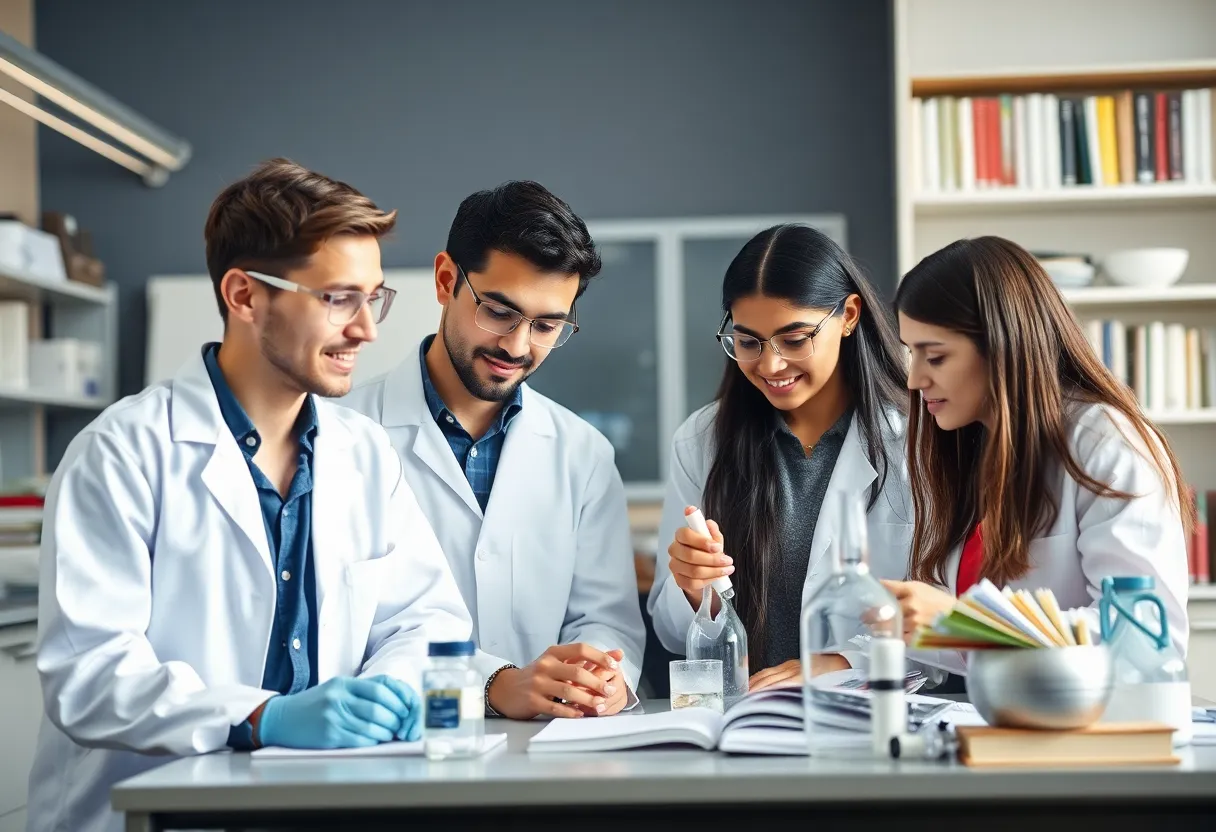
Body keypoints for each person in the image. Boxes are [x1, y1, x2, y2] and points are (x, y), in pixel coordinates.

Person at [26, 159, 472, 832]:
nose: (366, 330)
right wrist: (262, 716)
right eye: (337, 298)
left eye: (373, 298)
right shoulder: (121, 452)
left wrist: (391, 689)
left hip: (319, 805)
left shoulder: (362, 454)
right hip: (152, 813)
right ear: (243, 296)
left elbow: (426, 617)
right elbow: (90, 676)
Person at [343, 181, 645, 719]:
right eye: (500, 312)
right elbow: (348, 627)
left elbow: (605, 617)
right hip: (396, 747)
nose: (518, 346)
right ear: (444, 280)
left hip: (547, 755)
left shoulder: (583, 454)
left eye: (548, 325)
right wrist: (492, 685)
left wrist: (602, 675)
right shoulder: (345, 436)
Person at [891, 235, 1190, 673]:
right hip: (1012, 719)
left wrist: (965, 623)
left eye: (934, 357)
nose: (915, 379)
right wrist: (865, 647)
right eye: (911, 353)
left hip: (1097, 730)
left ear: (1002, 347)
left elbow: (1142, 639)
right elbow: (976, 650)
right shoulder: (977, 445)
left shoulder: (1107, 443)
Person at [646, 223, 914, 691]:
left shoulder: (914, 440)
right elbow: (671, 634)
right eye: (748, 342)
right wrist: (692, 589)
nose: (770, 365)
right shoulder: (702, 440)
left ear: (849, 315)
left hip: (868, 720)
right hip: (749, 724)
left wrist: (844, 664)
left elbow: (948, 623)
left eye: (794, 340)